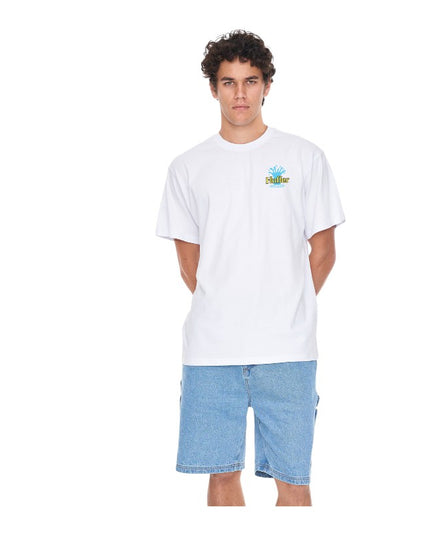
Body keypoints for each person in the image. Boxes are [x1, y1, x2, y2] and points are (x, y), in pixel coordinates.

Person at [155, 29, 346, 506]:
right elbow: (189, 264)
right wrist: (228, 303)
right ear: (213, 88)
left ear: (267, 86)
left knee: (294, 481)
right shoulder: (187, 167)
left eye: (250, 81)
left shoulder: (304, 157)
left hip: (287, 348)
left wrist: (286, 304)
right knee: (221, 477)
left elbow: (324, 251)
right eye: (228, 82)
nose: (240, 93)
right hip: (211, 350)